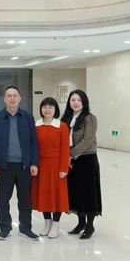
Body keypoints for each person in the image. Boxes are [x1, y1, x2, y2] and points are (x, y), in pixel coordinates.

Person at [0, 85, 40, 241]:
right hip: (5, 166)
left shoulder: (28, 117)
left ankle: (25, 228)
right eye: (9, 96)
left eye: (14, 95)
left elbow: (33, 141)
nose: (12, 98)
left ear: (19, 98)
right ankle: (4, 228)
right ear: (4, 99)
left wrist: (34, 163)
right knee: (4, 198)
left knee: (25, 199)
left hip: (24, 165)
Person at [61, 90, 101, 240]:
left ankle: (90, 225)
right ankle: (81, 223)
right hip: (71, 161)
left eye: (79, 100)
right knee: (76, 192)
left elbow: (87, 140)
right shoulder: (66, 119)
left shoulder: (90, 118)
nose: (76, 103)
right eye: (73, 100)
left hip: (86, 159)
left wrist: (70, 155)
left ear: (84, 102)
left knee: (88, 193)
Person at [32, 97, 70, 239]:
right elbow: (33, 147)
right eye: (45, 107)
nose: (47, 110)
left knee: (57, 194)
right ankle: (47, 223)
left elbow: (65, 148)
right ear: (41, 109)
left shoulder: (62, 126)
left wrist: (64, 168)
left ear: (55, 109)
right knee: (43, 194)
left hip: (56, 165)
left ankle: (56, 224)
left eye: (50, 107)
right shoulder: (36, 125)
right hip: (40, 165)